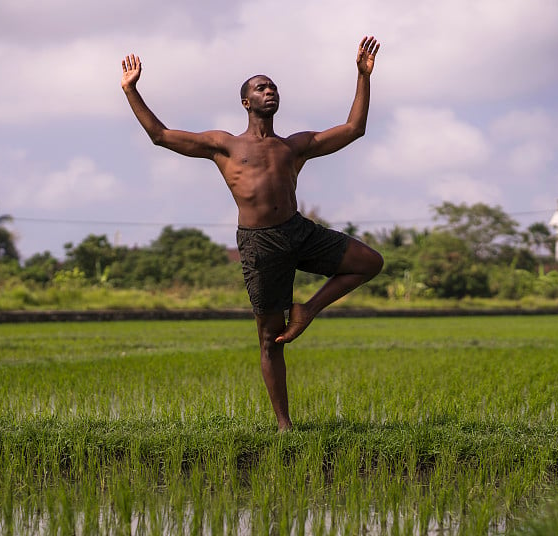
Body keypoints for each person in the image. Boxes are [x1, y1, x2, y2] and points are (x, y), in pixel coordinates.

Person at [121, 36, 384, 431]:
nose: (270, 91)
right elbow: (160, 135)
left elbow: (353, 129)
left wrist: (362, 77)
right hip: (260, 243)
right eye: (262, 88)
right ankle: (284, 426)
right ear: (247, 102)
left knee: (369, 261)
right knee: (269, 338)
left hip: (299, 231)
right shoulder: (223, 145)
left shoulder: (295, 146)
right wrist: (132, 90)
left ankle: (307, 310)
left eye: (273, 87)